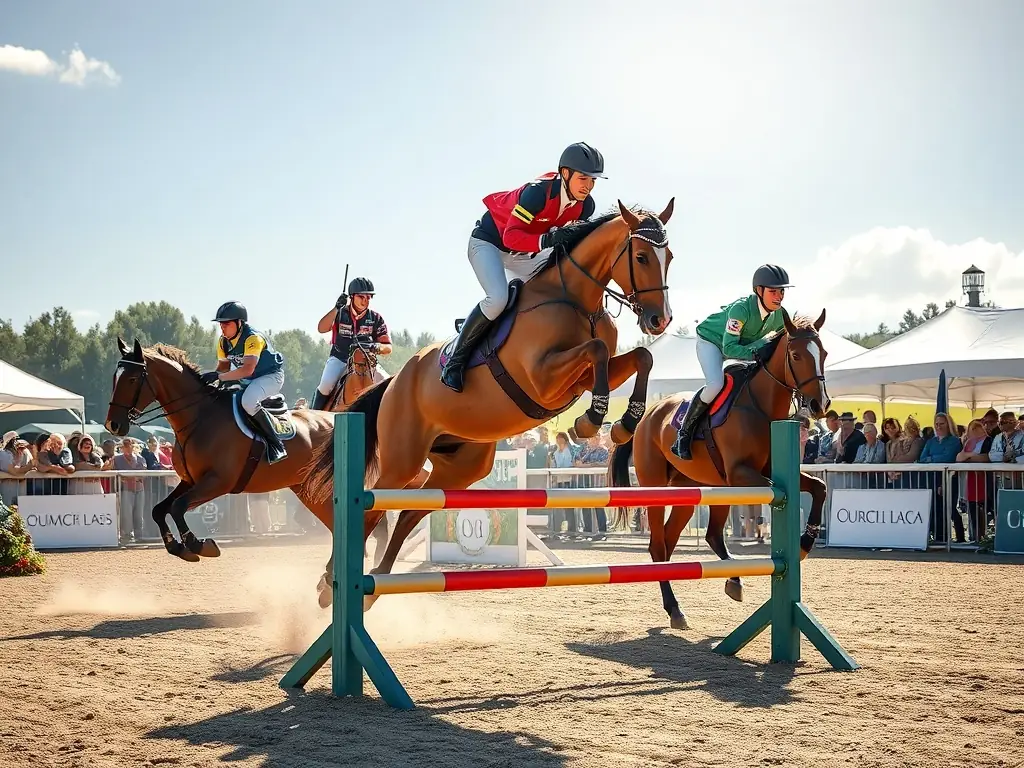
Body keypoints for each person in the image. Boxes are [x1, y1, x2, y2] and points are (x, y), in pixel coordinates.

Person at [440, 142, 606, 392]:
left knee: (555, 285)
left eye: (593, 180)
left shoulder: (586, 206)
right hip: (489, 244)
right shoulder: (537, 193)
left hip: (524, 253)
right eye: (583, 178)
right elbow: (510, 237)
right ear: (565, 173)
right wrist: (548, 240)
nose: (589, 186)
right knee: (497, 299)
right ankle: (455, 361)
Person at [671, 264, 794, 460]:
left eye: (781, 291)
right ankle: (683, 434)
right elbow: (729, 349)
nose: (779, 296)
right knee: (715, 384)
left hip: (740, 346)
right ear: (759, 291)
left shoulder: (780, 314)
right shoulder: (741, 310)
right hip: (712, 342)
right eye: (773, 291)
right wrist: (756, 353)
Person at [200, 301, 288, 464]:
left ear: (239, 323)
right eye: (221, 324)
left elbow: (248, 369)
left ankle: (276, 444)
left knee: (248, 402)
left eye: (226, 323)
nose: (222, 328)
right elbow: (223, 368)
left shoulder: (252, 338)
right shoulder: (223, 342)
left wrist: (219, 377)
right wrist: (211, 377)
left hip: (270, 377)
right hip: (248, 379)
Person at [311, 277, 392, 410]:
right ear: (352, 297)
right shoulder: (340, 313)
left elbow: (388, 348)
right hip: (340, 359)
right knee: (326, 385)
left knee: (389, 384)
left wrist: (375, 347)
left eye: (368, 297)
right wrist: (336, 308)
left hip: (367, 363)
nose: (365, 301)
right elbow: (322, 328)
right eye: (361, 297)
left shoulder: (376, 318)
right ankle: (314, 419)